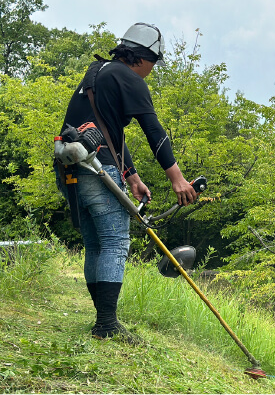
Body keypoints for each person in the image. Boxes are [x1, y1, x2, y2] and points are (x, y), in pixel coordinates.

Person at [55, 22, 197, 342]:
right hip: (95, 167)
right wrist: (177, 178)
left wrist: (131, 176)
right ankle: (106, 325)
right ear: (143, 58)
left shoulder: (97, 72)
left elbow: (107, 131)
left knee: (96, 245)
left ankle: (103, 320)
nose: (150, 71)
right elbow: (154, 130)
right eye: (153, 64)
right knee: (116, 243)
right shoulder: (129, 78)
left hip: (68, 165)